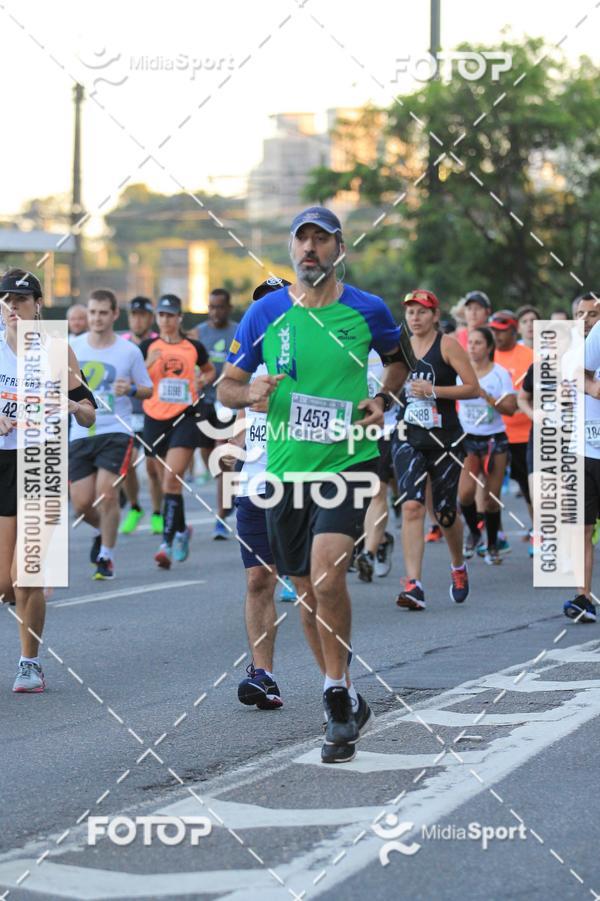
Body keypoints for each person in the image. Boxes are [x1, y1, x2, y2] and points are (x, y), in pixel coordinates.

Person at [218, 206, 412, 764]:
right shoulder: (265, 312)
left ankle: (331, 695)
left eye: (321, 240)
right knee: (305, 592)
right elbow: (226, 387)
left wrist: (381, 399)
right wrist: (250, 394)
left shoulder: (367, 309)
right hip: (284, 471)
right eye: (301, 240)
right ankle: (346, 690)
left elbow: (397, 365)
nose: (310, 250)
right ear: (290, 249)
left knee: (328, 573)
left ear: (338, 249)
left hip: (349, 460)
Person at [0, 269, 96, 691]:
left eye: (20, 299)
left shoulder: (59, 351)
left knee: (27, 574)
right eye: (5, 300)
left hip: (43, 460)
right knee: (5, 582)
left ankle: (29, 663)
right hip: (3, 462)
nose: (12, 307)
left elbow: (90, 411)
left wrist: (75, 410)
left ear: (38, 304)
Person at [393, 289, 478, 611]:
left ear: (435, 315)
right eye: (410, 312)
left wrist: (434, 390)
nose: (415, 318)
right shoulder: (398, 346)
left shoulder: (447, 345)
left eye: (422, 312)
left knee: (444, 512)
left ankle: (458, 565)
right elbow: (386, 381)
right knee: (412, 506)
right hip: (408, 435)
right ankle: (414, 583)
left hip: (446, 440)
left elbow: (473, 388)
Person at [69, 288, 153, 580]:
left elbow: (148, 388)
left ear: (115, 314)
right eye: (92, 312)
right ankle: (102, 531)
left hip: (116, 429)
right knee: (80, 504)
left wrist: (129, 389)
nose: (97, 318)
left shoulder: (128, 350)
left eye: (103, 312)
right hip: (80, 432)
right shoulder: (73, 347)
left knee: (106, 494)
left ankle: (106, 556)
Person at [140, 294, 215, 569]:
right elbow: (135, 380)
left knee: (172, 479)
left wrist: (203, 378)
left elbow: (209, 371)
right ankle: (182, 530)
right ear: (156, 317)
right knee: (165, 482)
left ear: (179, 318)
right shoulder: (148, 345)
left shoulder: (193, 346)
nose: (166, 320)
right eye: (161, 315)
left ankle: (166, 543)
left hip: (186, 416)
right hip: (154, 417)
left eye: (171, 315)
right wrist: (148, 362)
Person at [457, 327, 517, 564]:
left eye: (478, 343)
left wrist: (485, 396)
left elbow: (510, 408)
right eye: (470, 342)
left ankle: (493, 544)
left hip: (494, 440)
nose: (472, 347)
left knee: (491, 499)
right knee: (465, 494)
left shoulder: (499, 374)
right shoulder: (459, 372)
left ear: (489, 347)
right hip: (468, 439)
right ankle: (474, 534)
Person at [563, 293, 600, 621]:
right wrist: (592, 389)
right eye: (582, 313)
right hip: (585, 448)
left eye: (593, 313)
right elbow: (578, 374)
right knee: (582, 527)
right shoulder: (585, 344)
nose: (588, 318)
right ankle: (582, 596)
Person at [194, 288, 239, 539]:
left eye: (220, 307)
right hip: (205, 401)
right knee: (207, 453)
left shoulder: (238, 331)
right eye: (211, 307)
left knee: (222, 456)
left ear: (228, 308)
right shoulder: (199, 332)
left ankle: (221, 516)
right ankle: (229, 489)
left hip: (228, 401)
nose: (215, 312)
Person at [488, 311, 533, 550]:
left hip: (522, 434)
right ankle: (497, 536)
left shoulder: (529, 356)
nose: (497, 334)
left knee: (529, 487)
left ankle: (539, 532)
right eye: (493, 330)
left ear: (514, 331)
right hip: (492, 432)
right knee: (488, 489)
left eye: (501, 330)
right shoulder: (486, 355)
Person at [119, 296, 161, 536]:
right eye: (134, 314)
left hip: (153, 412)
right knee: (125, 464)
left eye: (142, 315)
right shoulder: (121, 342)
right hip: (127, 412)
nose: (137, 320)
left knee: (153, 468)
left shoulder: (159, 343)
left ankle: (157, 512)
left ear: (150, 317)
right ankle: (134, 507)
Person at [355, 347, 397, 581]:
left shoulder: (389, 347)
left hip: (386, 430)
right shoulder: (340, 340)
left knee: (377, 491)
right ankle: (380, 541)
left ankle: (368, 554)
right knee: (355, 495)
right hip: (350, 431)